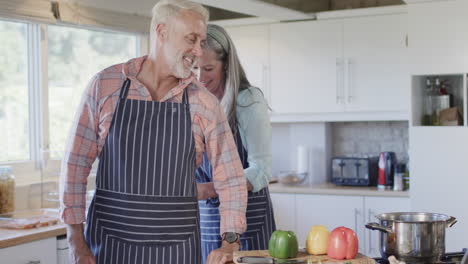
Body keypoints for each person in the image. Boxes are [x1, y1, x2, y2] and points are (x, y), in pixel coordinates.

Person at [59, 1, 247, 264]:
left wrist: (229, 244)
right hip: (110, 248)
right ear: (162, 32)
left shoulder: (203, 103)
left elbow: (231, 180)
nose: (198, 52)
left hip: (177, 251)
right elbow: (75, 167)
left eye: (201, 42)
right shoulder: (105, 86)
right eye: (191, 40)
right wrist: (76, 244)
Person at [195, 24, 276, 264]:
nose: (200, 77)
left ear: (227, 65)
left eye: (208, 68)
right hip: (208, 217)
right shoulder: (196, 102)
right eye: (195, 68)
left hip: (249, 219)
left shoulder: (248, 101)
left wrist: (209, 189)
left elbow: (261, 170)